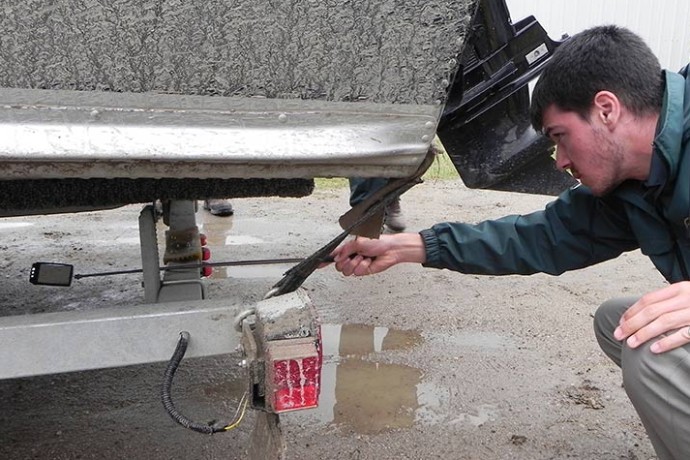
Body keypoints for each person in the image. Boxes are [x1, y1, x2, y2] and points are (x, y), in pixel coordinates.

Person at [331, 25, 690, 460]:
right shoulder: (633, 185)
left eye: (560, 137)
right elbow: (540, 236)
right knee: (622, 323)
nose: (559, 161)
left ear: (606, 110)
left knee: (655, 353)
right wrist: (411, 247)